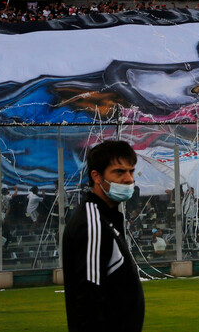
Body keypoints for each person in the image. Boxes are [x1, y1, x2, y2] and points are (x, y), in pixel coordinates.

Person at [62, 140, 144, 332]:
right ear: (97, 176)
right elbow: (88, 296)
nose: (129, 179)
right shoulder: (93, 222)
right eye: (119, 172)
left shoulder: (107, 217)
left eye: (131, 171)